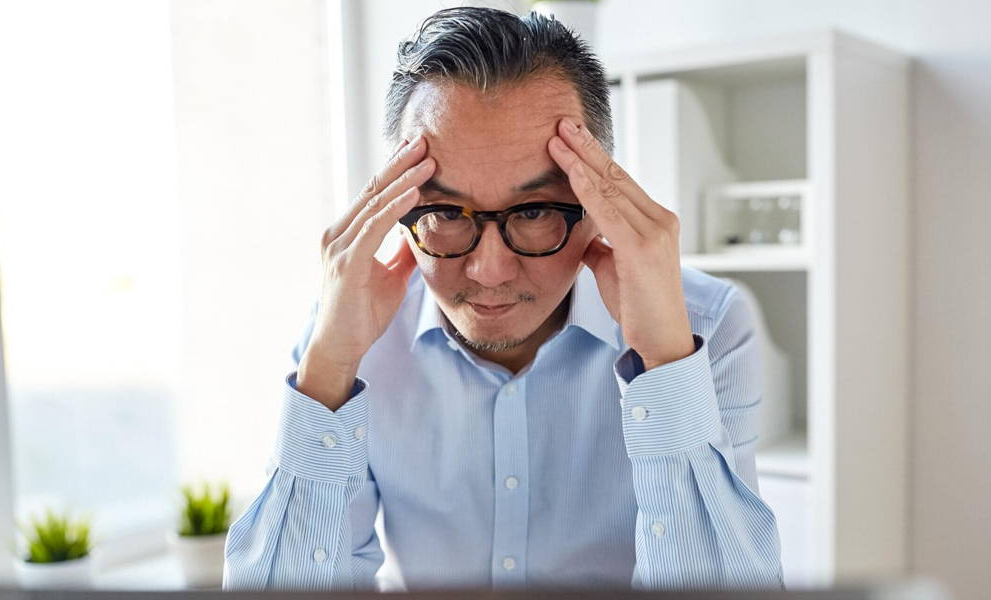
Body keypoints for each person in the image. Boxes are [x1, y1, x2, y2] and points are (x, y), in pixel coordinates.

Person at [223, 6, 782, 592]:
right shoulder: (347, 333)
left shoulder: (707, 325)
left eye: (536, 211)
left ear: (600, 202)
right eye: (442, 212)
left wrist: (666, 361)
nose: (488, 271)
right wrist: (330, 370)